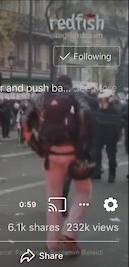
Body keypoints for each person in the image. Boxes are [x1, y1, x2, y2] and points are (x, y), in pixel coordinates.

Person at [22, 75, 92, 256]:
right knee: (84, 191)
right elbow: (85, 116)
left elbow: (25, 121)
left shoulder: (42, 97)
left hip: (51, 154)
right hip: (73, 153)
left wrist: (36, 146)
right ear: (69, 84)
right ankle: (70, 231)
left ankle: (52, 244)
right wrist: (82, 149)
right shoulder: (76, 95)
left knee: (54, 198)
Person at [92, 89, 122, 182]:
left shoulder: (116, 109)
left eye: (104, 99)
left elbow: (117, 121)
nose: (102, 102)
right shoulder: (98, 109)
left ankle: (112, 174)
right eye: (100, 100)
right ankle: (97, 171)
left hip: (111, 135)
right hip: (99, 133)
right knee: (96, 153)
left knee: (111, 155)